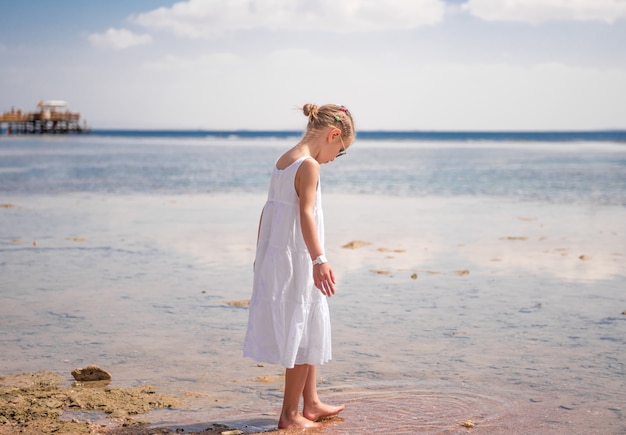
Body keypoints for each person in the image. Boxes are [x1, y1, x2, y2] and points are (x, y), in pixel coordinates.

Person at [244, 103, 355, 429]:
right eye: (341, 150)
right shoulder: (309, 166)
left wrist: (260, 255)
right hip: (300, 258)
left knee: (309, 327)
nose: (335, 158)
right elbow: (306, 213)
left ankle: (312, 401)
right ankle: (290, 414)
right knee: (305, 327)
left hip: (281, 256)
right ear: (333, 135)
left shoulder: (284, 160)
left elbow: (269, 212)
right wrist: (320, 260)